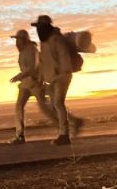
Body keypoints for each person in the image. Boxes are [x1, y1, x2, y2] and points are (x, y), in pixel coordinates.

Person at [32, 15, 83, 146]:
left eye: (40, 27)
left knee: (58, 103)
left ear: (46, 27)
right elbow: (43, 62)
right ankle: (73, 123)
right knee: (52, 105)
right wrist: (41, 79)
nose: (38, 31)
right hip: (52, 78)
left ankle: (64, 135)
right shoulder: (44, 42)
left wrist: (62, 74)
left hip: (62, 77)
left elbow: (64, 58)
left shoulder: (57, 40)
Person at [7, 30, 60, 144]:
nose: (16, 43)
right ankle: (20, 135)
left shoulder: (32, 50)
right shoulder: (23, 51)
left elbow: (33, 68)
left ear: (24, 40)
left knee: (44, 108)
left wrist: (19, 76)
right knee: (19, 106)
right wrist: (22, 77)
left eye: (18, 40)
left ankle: (63, 129)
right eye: (16, 40)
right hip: (26, 84)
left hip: (36, 83)